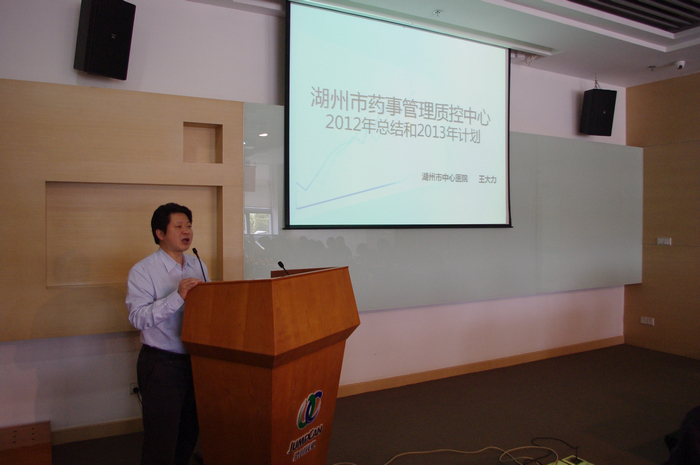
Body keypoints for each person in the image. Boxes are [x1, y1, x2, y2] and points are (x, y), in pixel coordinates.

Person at [126, 203, 208, 465]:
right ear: (160, 233)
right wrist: (178, 296)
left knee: (189, 432)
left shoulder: (198, 264)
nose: (187, 231)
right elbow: (137, 318)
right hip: (161, 364)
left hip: (195, 361)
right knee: (161, 439)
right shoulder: (143, 270)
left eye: (189, 226)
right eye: (179, 226)